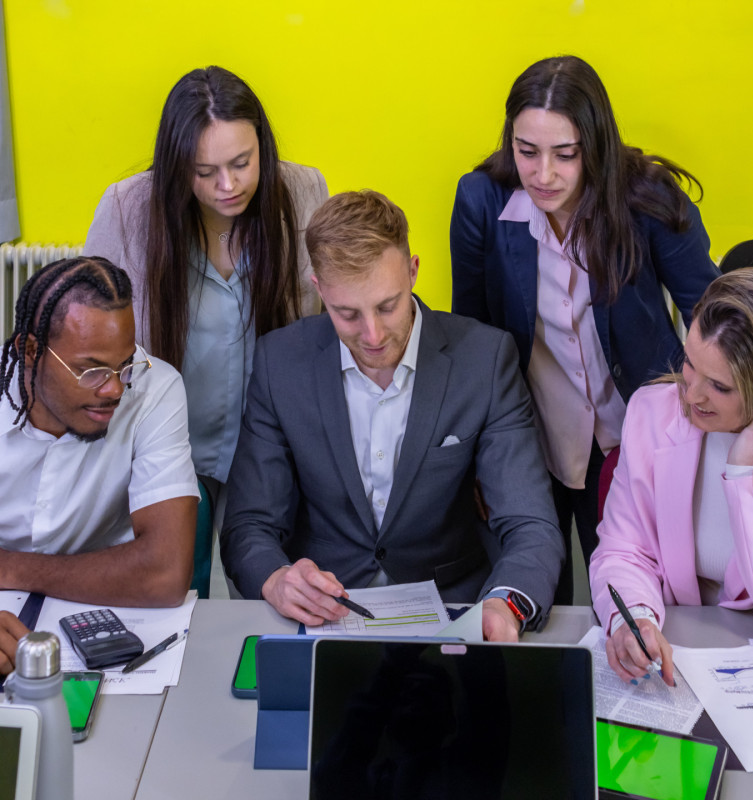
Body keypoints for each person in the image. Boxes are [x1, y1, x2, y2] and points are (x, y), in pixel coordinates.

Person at [221, 190, 564, 642]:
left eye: (387, 305)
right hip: (324, 620)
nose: (373, 334)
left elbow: (530, 524)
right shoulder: (278, 363)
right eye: (347, 314)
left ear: (414, 271)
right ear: (319, 290)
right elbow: (249, 525)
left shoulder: (485, 359)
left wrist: (506, 602)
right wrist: (276, 578)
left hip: (454, 613)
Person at [450, 55, 719, 603]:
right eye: (527, 152)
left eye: (565, 155)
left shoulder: (649, 198)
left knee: (633, 599)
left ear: (593, 145)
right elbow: (470, 337)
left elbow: (710, 313)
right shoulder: (482, 200)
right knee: (535, 600)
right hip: (533, 434)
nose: (543, 174)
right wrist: (474, 453)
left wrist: (717, 420)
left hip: (636, 433)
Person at [84, 65, 328, 508]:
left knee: (264, 574)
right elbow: (86, 338)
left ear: (262, 147)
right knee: (176, 576)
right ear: (177, 165)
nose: (228, 186)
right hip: (160, 453)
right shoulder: (125, 208)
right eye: (204, 171)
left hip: (268, 449)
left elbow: (327, 320)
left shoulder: (304, 191)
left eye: (242, 163)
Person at [590, 267, 753, 685]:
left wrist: (746, 472)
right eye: (689, 363)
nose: (691, 394)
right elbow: (623, 551)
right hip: (680, 661)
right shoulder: (653, 412)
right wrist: (635, 619)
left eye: (719, 386)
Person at [0, 257, 199, 671]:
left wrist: (11, 567)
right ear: (31, 351)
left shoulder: (154, 390)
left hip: (110, 631)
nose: (113, 389)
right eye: (89, 371)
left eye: (125, 365)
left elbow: (164, 575)